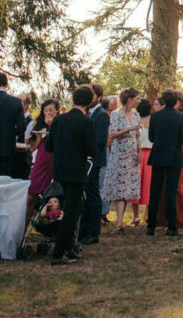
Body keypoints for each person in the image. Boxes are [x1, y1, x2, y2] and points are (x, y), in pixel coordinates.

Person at [45, 85, 95, 265]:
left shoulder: (58, 120)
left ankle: (66, 247)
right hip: (76, 172)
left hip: (59, 170)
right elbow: (91, 149)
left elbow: (49, 146)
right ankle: (58, 253)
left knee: (61, 209)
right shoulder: (87, 123)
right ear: (90, 102)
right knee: (71, 213)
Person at [146, 90, 183, 236]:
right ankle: (172, 226)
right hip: (174, 157)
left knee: (155, 191)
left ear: (163, 101)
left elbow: (151, 137)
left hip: (158, 155)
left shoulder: (155, 116)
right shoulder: (180, 118)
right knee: (171, 192)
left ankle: (151, 225)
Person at [103, 88, 143, 233]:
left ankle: (120, 222)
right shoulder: (116, 114)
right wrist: (129, 129)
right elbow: (113, 134)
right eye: (137, 98)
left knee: (126, 188)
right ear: (129, 98)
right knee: (120, 187)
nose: (139, 101)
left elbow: (138, 135)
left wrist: (139, 150)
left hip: (132, 153)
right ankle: (119, 222)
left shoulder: (136, 114)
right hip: (119, 154)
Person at [80, 83, 109, 245]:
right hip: (87, 161)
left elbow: (100, 140)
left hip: (94, 161)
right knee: (87, 195)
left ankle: (93, 232)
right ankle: (85, 229)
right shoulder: (90, 113)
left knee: (92, 195)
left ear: (97, 97)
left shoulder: (101, 115)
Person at [26, 98, 59, 199]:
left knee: (51, 197)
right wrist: (39, 138)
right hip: (41, 160)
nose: (48, 113)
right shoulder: (38, 123)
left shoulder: (61, 123)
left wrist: (51, 125)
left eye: (51, 110)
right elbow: (31, 149)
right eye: (45, 110)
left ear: (57, 110)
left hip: (55, 161)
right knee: (31, 194)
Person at [138, 98, 155, 219]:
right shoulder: (152, 119)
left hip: (141, 153)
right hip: (145, 153)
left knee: (143, 183)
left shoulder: (136, 119)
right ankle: (146, 214)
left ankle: (137, 215)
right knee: (145, 184)